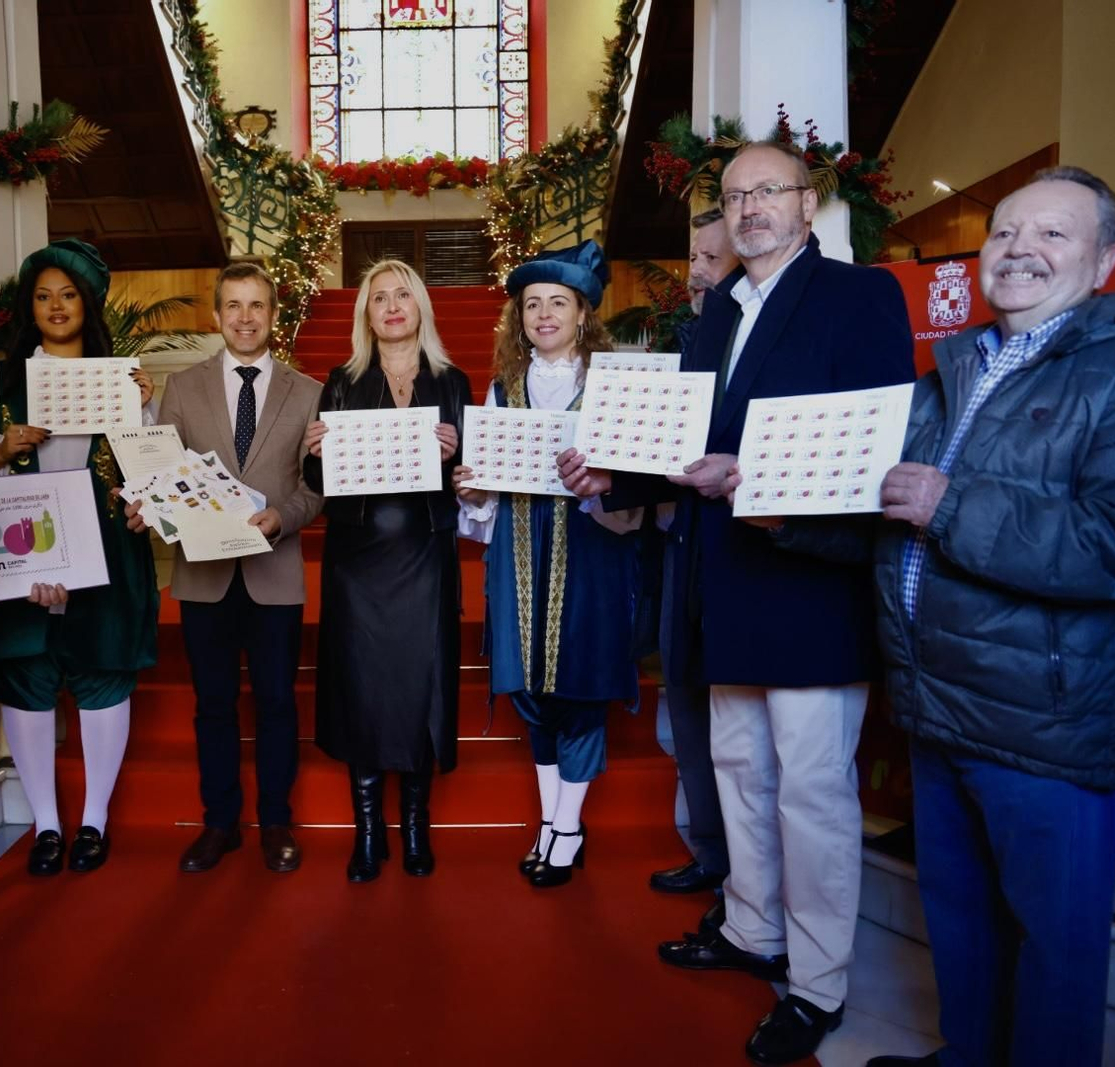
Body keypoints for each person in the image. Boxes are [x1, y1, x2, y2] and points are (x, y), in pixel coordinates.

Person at [749, 168, 1115, 1067]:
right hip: (939, 704)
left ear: (1107, 258)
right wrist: (788, 514)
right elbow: (887, 519)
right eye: (1003, 233)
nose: (1020, 249)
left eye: (1053, 235)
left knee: (1053, 953)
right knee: (961, 925)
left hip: (1047, 720)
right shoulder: (949, 373)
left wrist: (952, 504)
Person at [560, 141, 913, 1064]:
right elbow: (691, 442)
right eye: (734, 195)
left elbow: (870, 447)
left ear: (808, 203)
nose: (750, 207)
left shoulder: (859, 297)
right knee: (741, 774)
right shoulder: (716, 311)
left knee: (812, 793)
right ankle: (753, 930)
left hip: (806, 582)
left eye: (769, 191)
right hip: (721, 578)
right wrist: (615, 469)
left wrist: (750, 476)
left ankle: (819, 981)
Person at [452, 240, 642, 887]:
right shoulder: (503, 386)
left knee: (580, 687)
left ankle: (568, 825)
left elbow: (638, 479)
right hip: (518, 546)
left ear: (584, 312)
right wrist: (471, 488)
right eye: (532, 303)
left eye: (557, 302)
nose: (543, 314)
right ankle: (551, 821)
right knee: (531, 690)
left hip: (591, 549)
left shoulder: (613, 383)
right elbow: (484, 486)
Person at [0, 239, 157, 877]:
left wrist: (144, 413)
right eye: (44, 295)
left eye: (69, 294)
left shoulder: (125, 378)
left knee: (103, 674)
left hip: (106, 550)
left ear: (89, 303)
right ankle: (46, 825)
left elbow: (148, 473)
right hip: (20, 551)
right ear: (30, 303)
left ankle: (93, 820)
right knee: (26, 678)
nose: (56, 306)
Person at [132, 262, 323, 875]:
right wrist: (149, 506)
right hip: (204, 576)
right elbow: (163, 470)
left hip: (274, 574)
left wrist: (282, 518)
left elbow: (316, 489)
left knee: (275, 703)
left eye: (257, 306)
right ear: (216, 316)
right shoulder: (183, 388)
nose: (245, 318)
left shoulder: (310, 391)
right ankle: (219, 823)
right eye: (233, 306)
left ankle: (274, 823)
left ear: (274, 315)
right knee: (212, 703)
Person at [303, 259, 470, 882]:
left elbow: (470, 483)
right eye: (380, 298)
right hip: (358, 562)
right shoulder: (341, 380)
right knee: (364, 693)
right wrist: (315, 453)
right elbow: (318, 484)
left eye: (404, 295)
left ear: (421, 307)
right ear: (365, 314)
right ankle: (369, 831)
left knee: (421, 688)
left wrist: (461, 459)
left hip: (425, 558)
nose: (393, 306)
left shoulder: (452, 381)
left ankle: (417, 829)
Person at [648, 208, 740, 913]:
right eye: (692, 257)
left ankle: (743, 877)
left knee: (738, 729)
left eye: (711, 257)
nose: (696, 271)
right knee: (682, 700)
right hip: (682, 543)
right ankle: (711, 853)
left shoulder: (753, 338)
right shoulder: (687, 340)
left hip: (745, 550)